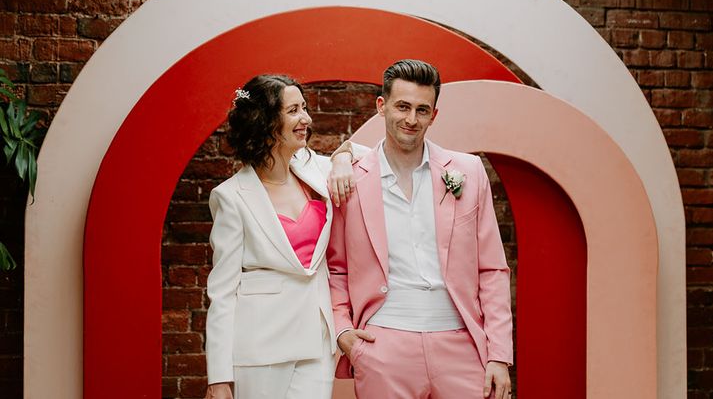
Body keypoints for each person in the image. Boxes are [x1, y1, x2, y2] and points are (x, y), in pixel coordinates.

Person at [327, 59, 514, 399]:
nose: (411, 120)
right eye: (402, 107)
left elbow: (492, 269)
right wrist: (343, 332)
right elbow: (336, 268)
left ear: (434, 115)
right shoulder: (350, 178)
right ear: (381, 107)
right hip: (383, 345)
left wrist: (499, 355)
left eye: (422, 110)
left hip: (462, 345)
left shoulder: (468, 171)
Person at [204, 74, 361, 399]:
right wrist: (219, 377)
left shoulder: (318, 170)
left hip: (316, 342)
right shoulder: (231, 197)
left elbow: (372, 155)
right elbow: (222, 292)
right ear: (266, 121)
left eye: (304, 108)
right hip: (259, 346)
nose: (305, 118)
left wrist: (344, 155)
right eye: (293, 111)